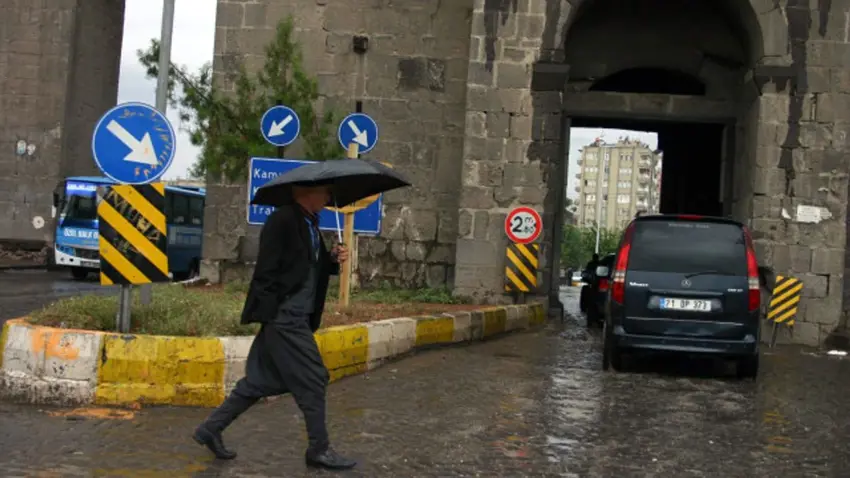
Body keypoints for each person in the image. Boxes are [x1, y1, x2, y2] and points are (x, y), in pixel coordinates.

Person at [193, 183, 357, 470]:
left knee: (260, 382)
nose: (329, 198)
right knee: (315, 377)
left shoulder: (310, 224)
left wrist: (332, 260)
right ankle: (319, 449)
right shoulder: (282, 220)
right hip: (285, 316)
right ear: (306, 192)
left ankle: (210, 429)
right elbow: (267, 270)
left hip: (297, 316)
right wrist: (272, 313)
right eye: (325, 192)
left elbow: (307, 268)